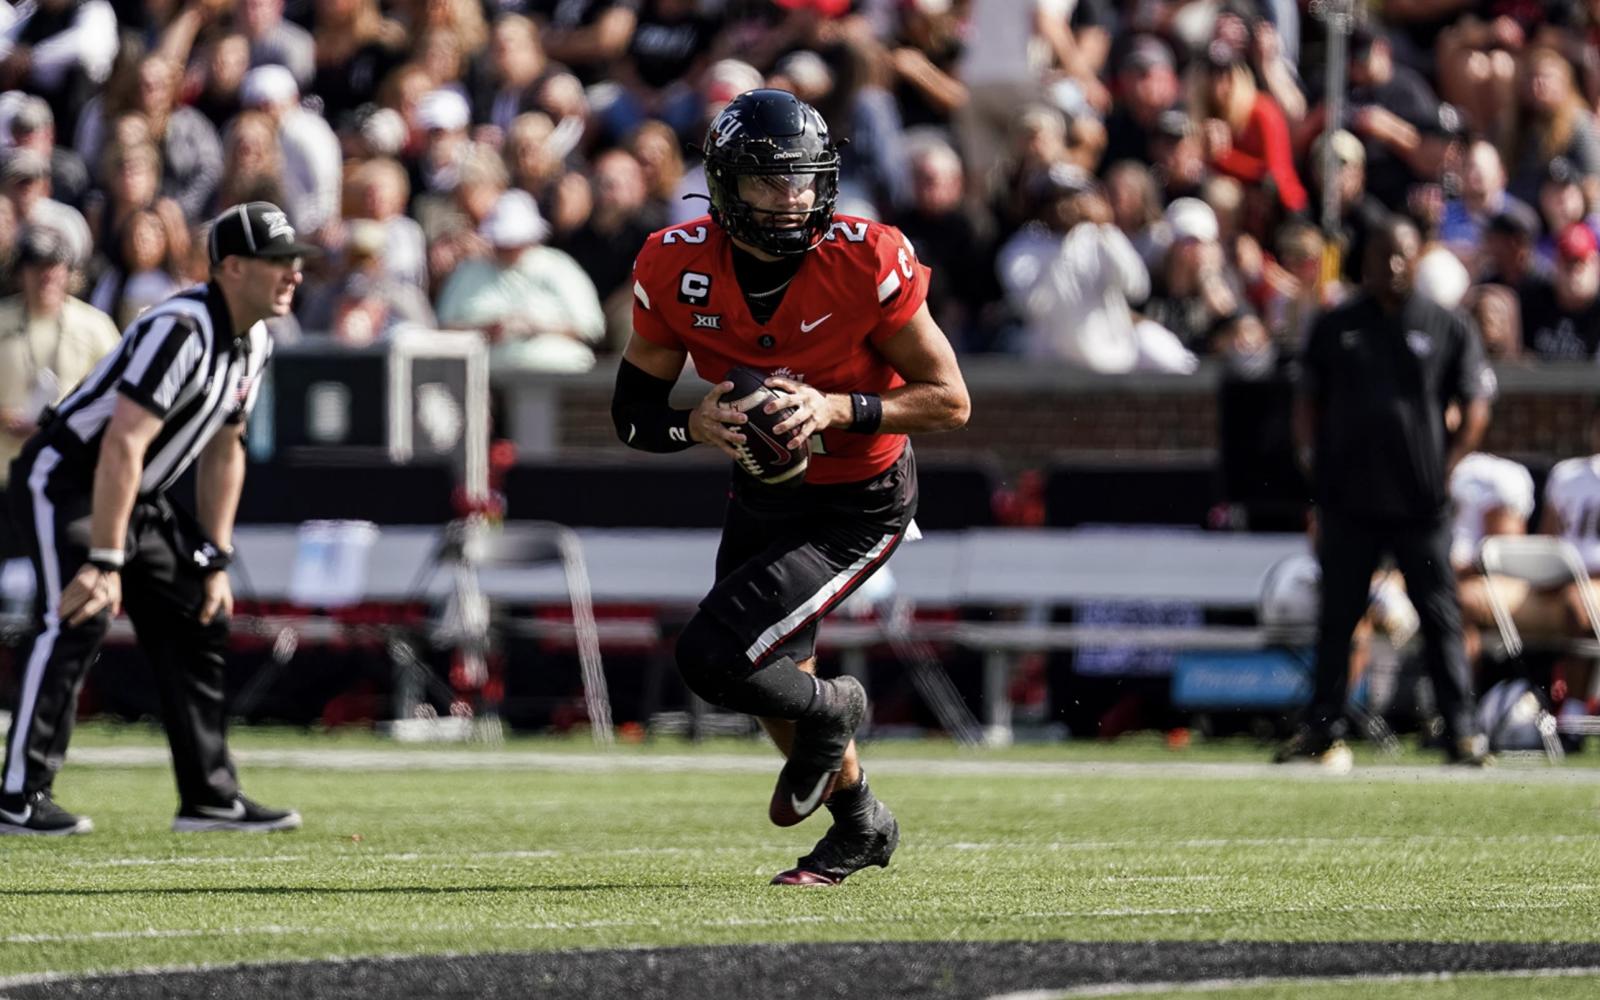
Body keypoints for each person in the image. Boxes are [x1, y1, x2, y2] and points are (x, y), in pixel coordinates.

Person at [612, 90, 969, 885]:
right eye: (772, 183)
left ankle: (836, 711)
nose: (794, 198)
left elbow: (950, 399)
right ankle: (861, 823)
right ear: (726, 186)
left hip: (860, 499)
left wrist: (835, 406)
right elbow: (632, 413)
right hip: (764, 492)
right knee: (770, 674)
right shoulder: (674, 265)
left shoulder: (865, 256)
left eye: (806, 180)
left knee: (716, 655)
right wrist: (691, 426)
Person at [0, 201, 310, 835]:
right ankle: (17, 795)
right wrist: (107, 560)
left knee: (197, 611)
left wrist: (216, 559)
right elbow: (123, 442)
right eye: (277, 261)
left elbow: (227, 448)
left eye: (295, 261)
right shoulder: (182, 327)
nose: (294, 274)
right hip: (66, 479)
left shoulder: (254, 342)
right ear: (231, 267)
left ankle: (209, 796)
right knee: (79, 612)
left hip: (136, 493)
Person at [1281, 215, 1496, 768]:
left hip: (1419, 501)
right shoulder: (1337, 324)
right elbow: (1307, 397)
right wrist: (1309, 456)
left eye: (1402, 256)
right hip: (1349, 498)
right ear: (1366, 261)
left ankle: (1462, 730)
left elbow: (1475, 403)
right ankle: (1323, 726)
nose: (1392, 267)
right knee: (1339, 616)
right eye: (1382, 256)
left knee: (1440, 615)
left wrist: (1449, 465)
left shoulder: (1447, 326)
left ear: (1417, 258)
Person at [0, 228, 120, 558]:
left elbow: (120, 395)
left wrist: (61, 423)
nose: (47, 274)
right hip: (5, 473)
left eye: (56, 265)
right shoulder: (2, 319)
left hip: (68, 475)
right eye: (37, 265)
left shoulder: (94, 326)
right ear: (20, 271)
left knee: (59, 578)